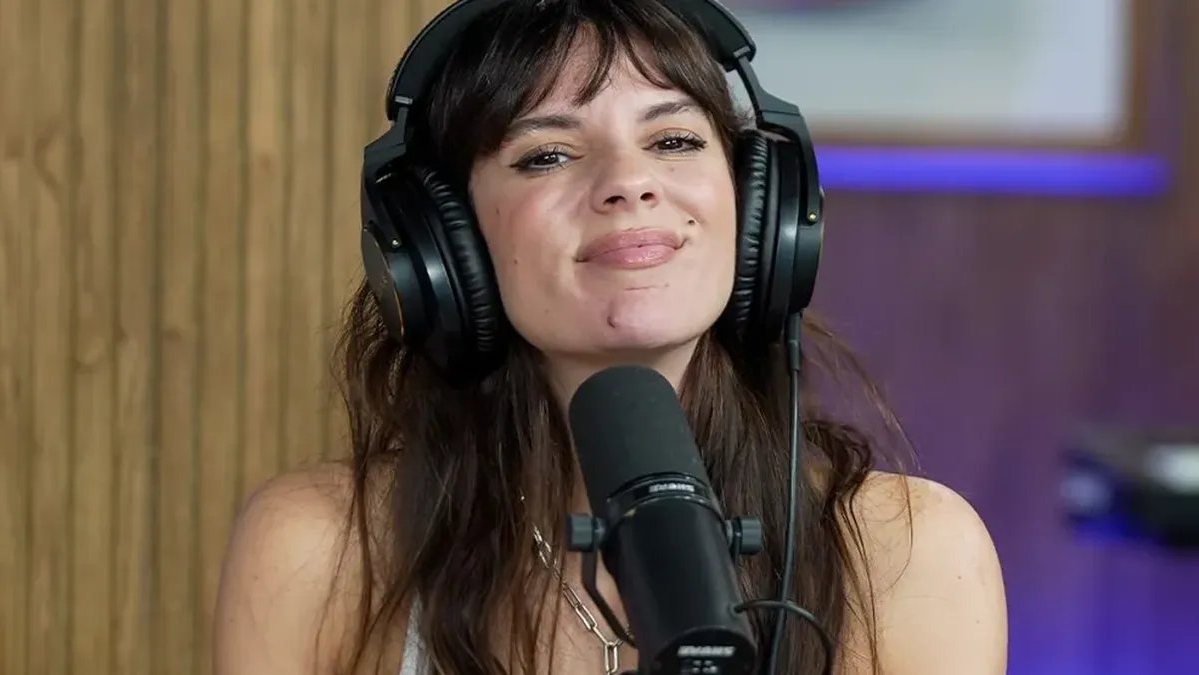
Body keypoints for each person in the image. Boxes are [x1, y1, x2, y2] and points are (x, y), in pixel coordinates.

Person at [212, 1, 1007, 673]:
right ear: (446, 246)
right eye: (548, 154)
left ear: (759, 210)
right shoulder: (319, 552)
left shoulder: (910, 558)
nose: (629, 181)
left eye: (673, 140)